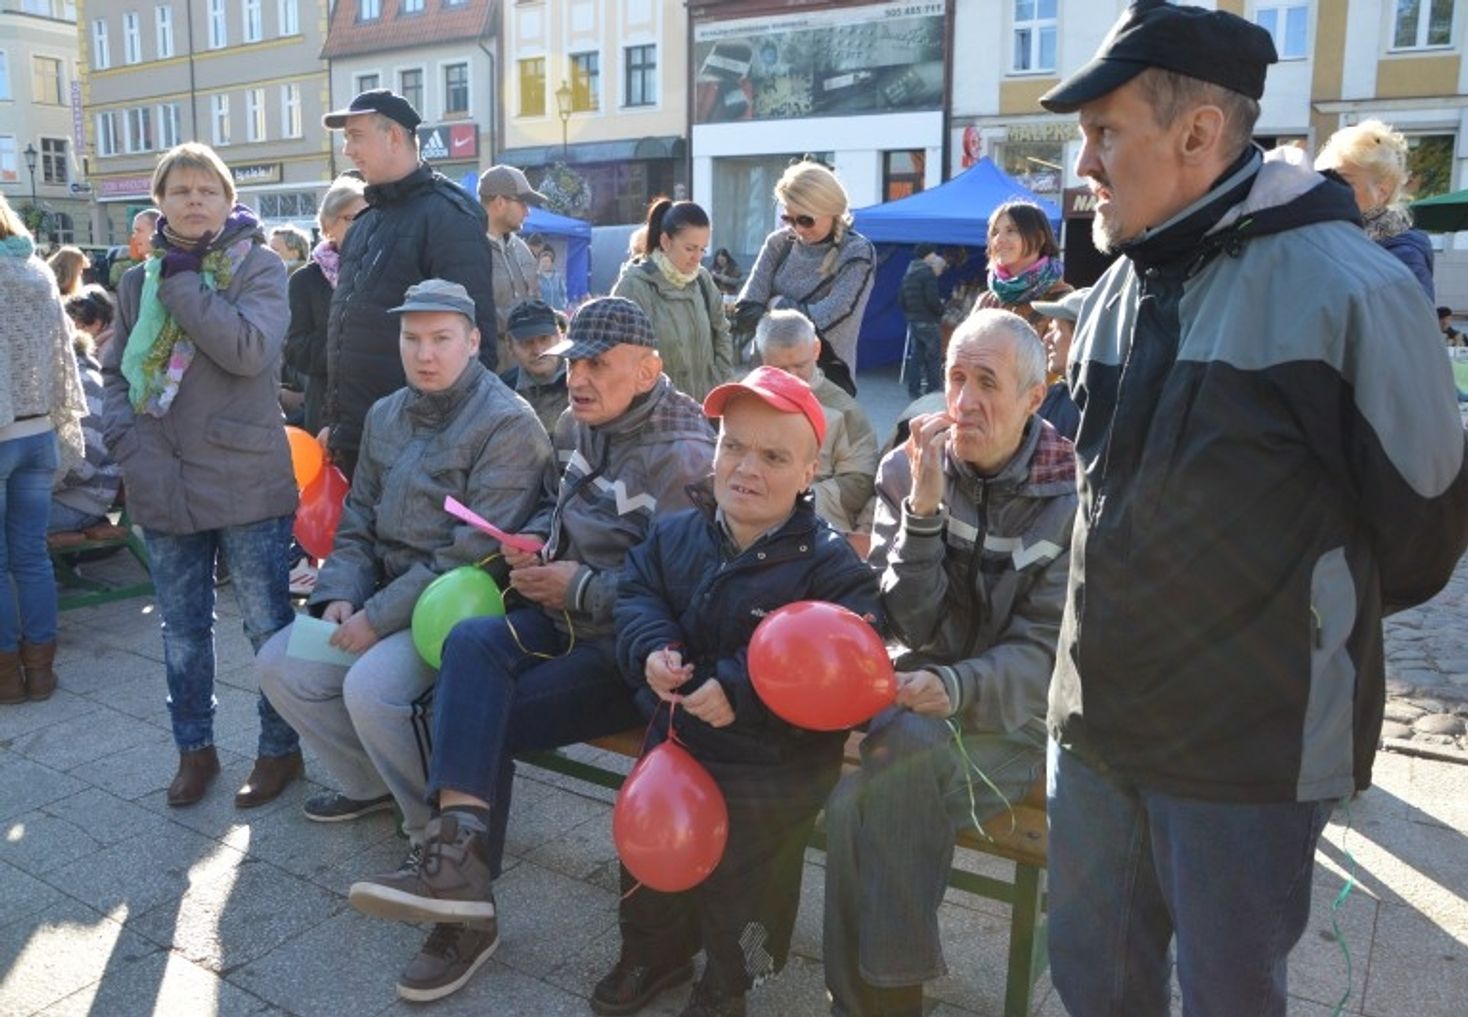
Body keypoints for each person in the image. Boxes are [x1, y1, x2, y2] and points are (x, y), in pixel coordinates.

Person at [1036, 3, 1468, 1012]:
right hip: (1095, 725)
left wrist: (1282, 625)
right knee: (1095, 984)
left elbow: (1424, 534)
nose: (1084, 163)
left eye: (1105, 132)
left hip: (1247, 751)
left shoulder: (1353, 291)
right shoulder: (1117, 287)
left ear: (1197, 134)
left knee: (1229, 996)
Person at [343, 297, 716, 1005]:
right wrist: (538, 541)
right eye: (574, 362)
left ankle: (489, 914)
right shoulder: (577, 422)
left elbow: (688, 597)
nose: (578, 377)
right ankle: (459, 877)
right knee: (471, 646)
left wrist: (580, 586)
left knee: (477, 717)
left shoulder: (684, 455)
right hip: (564, 621)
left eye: (597, 364)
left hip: (634, 654)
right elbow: (555, 502)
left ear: (648, 371)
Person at [598, 366, 880, 1017]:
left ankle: (731, 979)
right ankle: (652, 950)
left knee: (748, 883)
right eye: (734, 446)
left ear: (810, 472)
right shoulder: (677, 532)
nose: (747, 468)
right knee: (649, 846)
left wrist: (743, 688)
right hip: (679, 738)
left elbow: (847, 660)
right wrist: (652, 648)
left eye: (774, 457)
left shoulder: (830, 565)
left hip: (775, 761)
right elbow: (637, 594)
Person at [822, 309, 1076, 1017]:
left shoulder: (1069, 497)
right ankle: (885, 998)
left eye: (987, 383)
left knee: (863, 796)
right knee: (864, 792)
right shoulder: (909, 465)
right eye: (955, 377)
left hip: (1014, 724)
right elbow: (905, 621)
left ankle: (877, 1000)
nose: (963, 401)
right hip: (915, 705)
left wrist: (959, 685)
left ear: (1034, 398)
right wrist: (925, 512)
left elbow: (1046, 653)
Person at [258, 278, 551, 849]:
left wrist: (376, 619)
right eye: (411, 338)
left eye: (441, 338)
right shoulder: (387, 413)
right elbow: (358, 516)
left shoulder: (507, 423)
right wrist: (339, 593)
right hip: (382, 592)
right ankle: (371, 783)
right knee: (279, 664)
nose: (424, 354)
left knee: (373, 689)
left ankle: (437, 828)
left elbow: (473, 553)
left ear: (473, 342)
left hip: (459, 612)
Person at [99, 142, 307, 808]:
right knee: (182, 632)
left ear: (227, 201)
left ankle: (280, 749)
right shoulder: (138, 282)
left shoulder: (259, 266)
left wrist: (185, 283)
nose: (194, 200)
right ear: (158, 202)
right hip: (162, 475)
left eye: (207, 190)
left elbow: (248, 350)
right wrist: (125, 440)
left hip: (246, 475)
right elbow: (115, 373)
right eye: (180, 190)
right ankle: (195, 750)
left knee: (266, 626)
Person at [321, 89, 498, 477]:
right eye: (346, 139)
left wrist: (453, 448)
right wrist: (337, 423)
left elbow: (476, 342)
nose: (347, 150)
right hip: (359, 439)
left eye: (356, 136)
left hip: (419, 448)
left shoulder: (447, 215)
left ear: (394, 137)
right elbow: (349, 332)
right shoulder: (366, 222)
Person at [0, 194, 86, 704]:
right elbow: (60, 353)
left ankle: (7, 679)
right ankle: (41, 672)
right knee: (31, 557)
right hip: (37, 434)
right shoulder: (35, 270)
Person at [736, 161, 875, 394]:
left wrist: (775, 304)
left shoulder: (857, 251)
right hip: (768, 380)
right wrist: (796, 314)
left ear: (830, 209)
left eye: (805, 220)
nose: (798, 229)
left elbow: (828, 319)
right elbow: (745, 311)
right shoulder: (779, 242)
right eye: (789, 219)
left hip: (825, 383)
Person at [756, 309, 877, 544]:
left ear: (816, 350)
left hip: (812, 532)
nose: (793, 376)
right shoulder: (746, 399)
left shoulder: (845, 411)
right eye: (781, 369)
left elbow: (860, 482)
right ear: (763, 359)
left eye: (800, 365)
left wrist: (791, 504)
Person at [613, 198, 732, 401]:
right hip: (658, 413)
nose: (697, 258)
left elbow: (722, 332)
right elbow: (621, 357)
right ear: (666, 241)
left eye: (702, 249)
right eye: (690, 248)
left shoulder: (702, 279)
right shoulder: (634, 286)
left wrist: (720, 383)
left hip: (705, 409)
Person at [1315, 118, 1435, 299]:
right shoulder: (1324, 238)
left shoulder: (1403, 255)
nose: (1329, 190)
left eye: (1343, 182)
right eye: (1323, 180)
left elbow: (1408, 317)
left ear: (1382, 192)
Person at [285, 176, 367, 436]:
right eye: (352, 218)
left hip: (377, 402)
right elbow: (295, 349)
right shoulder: (305, 280)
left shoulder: (383, 270)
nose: (363, 225)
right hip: (326, 410)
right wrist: (347, 344)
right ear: (328, 226)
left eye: (369, 217)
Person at [51, 301, 123, 536]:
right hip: (55, 494)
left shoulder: (84, 383)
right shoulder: (54, 378)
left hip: (79, 501)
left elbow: (83, 465)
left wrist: (29, 486)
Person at [478, 164, 543, 368]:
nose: (528, 211)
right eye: (522, 203)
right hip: (490, 370)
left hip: (526, 370)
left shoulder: (522, 248)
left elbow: (536, 299)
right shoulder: (469, 250)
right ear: (499, 202)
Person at [974, 200, 1071, 333]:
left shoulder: (1063, 301)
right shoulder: (987, 300)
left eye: (1011, 230)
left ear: (1039, 238)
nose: (999, 239)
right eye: (995, 232)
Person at [498, 298, 568, 434]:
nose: (537, 350)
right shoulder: (503, 391)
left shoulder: (581, 380)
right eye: (526, 342)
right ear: (510, 346)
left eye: (544, 338)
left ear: (560, 337)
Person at [1030, 287, 1088, 440]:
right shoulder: (1058, 392)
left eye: (1056, 330)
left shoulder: (1089, 404)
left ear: (1080, 337)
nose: (1046, 339)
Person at [898, 243, 948, 399]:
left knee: (916, 357)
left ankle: (913, 390)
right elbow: (932, 300)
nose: (935, 256)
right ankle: (932, 391)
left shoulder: (909, 273)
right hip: (928, 321)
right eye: (933, 253)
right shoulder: (927, 273)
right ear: (929, 254)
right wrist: (941, 310)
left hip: (914, 321)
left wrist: (911, 314)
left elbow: (901, 300)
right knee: (933, 357)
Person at [108, 209, 159, 291]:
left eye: (139, 231)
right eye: (134, 232)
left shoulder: (171, 271)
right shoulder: (134, 277)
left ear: (157, 231)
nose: (134, 236)